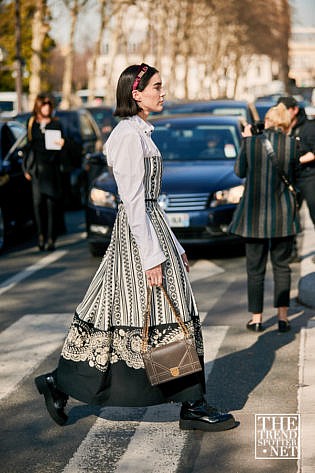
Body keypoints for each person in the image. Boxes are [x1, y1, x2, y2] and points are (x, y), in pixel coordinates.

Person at [34, 64, 237, 431]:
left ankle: (189, 401)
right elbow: (131, 201)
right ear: (136, 93)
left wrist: (174, 245)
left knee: (138, 316)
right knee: (150, 316)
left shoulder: (141, 133)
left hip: (150, 230)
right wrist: (153, 257)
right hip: (138, 237)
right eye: (157, 87)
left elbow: (150, 203)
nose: (163, 92)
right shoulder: (128, 136)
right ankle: (189, 402)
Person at [229, 103, 300, 333]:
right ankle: (283, 318)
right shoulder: (292, 145)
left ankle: (257, 318)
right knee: (282, 267)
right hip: (282, 216)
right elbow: (295, 178)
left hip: (254, 218)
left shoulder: (251, 144)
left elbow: (239, 172)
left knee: (255, 269)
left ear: (267, 121)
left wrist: (247, 139)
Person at [23, 93, 65, 251]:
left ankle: (51, 238)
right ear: (38, 106)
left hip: (52, 169)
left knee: (51, 206)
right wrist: (26, 168)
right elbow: (28, 147)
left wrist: (62, 144)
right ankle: (40, 235)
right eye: (43, 105)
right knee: (37, 204)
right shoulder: (32, 122)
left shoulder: (56, 124)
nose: (46, 107)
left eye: (48, 105)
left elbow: (63, 148)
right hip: (37, 171)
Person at [277, 96, 315, 261]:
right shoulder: (282, 129)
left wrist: (295, 159)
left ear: (294, 110)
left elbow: (313, 153)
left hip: (309, 177)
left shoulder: (309, 127)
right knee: (290, 215)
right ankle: (291, 252)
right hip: (291, 178)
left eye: (285, 110)